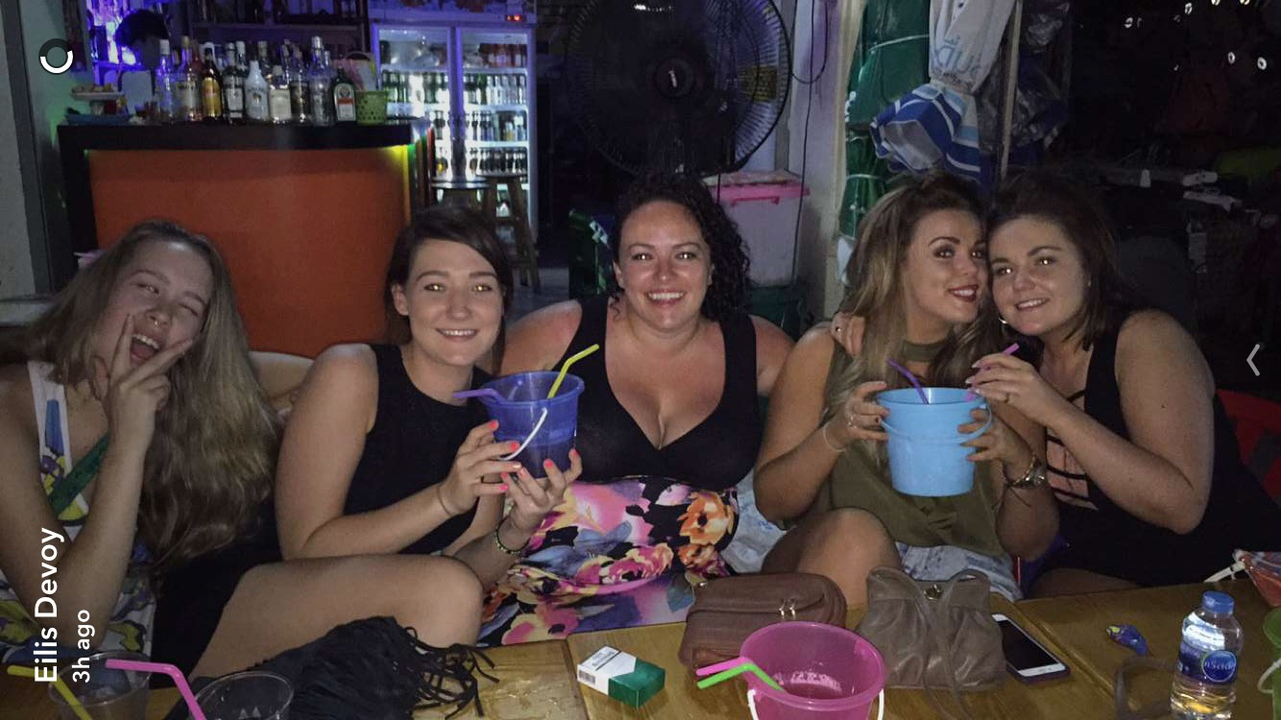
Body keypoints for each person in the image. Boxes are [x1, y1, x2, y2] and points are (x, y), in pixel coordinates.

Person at [0, 221, 482, 679]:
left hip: (171, 627)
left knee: (437, 600)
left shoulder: (183, 389)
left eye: (189, 308)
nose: (162, 314)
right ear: (98, 288)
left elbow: (325, 374)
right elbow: (70, 627)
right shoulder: (13, 407)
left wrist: (318, 407)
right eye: (147, 288)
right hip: (49, 671)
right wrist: (129, 441)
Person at [477, 173, 794, 645]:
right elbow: (462, 410)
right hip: (541, 591)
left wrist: (847, 332)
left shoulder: (757, 347)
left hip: (690, 595)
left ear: (712, 266)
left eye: (684, 255)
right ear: (619, 271)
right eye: (643, 256)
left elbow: (832, 389)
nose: (664, 276)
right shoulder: (559, 335)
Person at [969, 170, 1281, 595]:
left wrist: (1053, 411)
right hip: (1116, 569)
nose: (1020, 283)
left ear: (1088, 264)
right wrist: (1015, 459)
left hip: (1232, 572)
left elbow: (1183, 509)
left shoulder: (1147, 339)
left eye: (1044, 260)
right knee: (1041, 620)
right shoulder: (1018, 369)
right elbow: (1030, 541)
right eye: (1003, 270)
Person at [755, 172, 1056, 606]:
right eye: (945, 252)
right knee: (855, 538)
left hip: (961, 570)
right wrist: (836, 434)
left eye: (977, 253)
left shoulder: (1000, 374)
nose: (971, 269)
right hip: (833, 561)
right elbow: (772, 503)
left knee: (968, 633)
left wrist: (1015, 458)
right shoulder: (827, 352)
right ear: (895, 262)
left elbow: (1030, 544)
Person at [274, 206, 580, 593]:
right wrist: (444, 500)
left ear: (502, 301)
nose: (459, 307)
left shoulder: (492, 407)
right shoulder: (352, 373)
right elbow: (301, 554)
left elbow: (467, 573)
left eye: (481, 287)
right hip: (284, 604)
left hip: (402, 610)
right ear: (402, 299)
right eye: (435, 287)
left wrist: (520, 525)